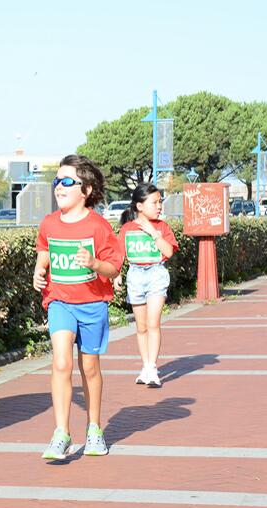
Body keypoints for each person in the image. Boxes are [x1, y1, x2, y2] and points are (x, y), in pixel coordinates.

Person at [33, 155, 123, 460]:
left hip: (93, 304)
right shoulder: (48, 223)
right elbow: (44, 249)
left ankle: (95, 429)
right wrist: (39, 269)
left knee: (89, 367)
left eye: (67, 181)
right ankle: (61, 433)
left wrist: (95, 263)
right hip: (59, 302)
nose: (59, 186)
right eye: (57, 181)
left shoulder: (98, 226)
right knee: (61, 363)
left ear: (85, 190)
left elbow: (113, 268)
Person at [113, 183, 179, 388]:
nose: (159, 206)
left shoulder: (162, 227)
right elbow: (119, 254)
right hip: (135, 276)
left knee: (153, 324)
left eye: (160, 202)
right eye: (155, 202)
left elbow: (168, 252)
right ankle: (145, 366)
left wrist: (153, 232)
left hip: (156, 274)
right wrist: (116, 275)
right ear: (139, 206)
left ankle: (152, 366)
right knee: (141, 327)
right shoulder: (127, 228)